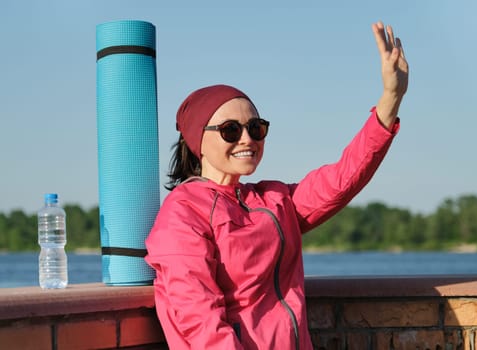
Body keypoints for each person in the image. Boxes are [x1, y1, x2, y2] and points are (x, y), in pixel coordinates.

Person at [145, 21, 408, 349]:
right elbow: (199, 321)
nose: (247, 138)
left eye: (255, 127)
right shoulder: (183, 213)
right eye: (230, 129)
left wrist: (390, 98)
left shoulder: (273, 199)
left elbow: (345, 177)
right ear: (198, 140)